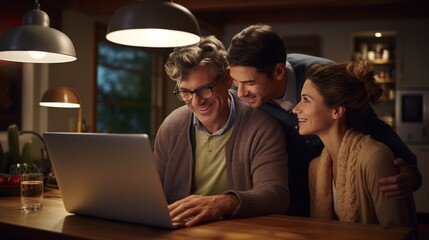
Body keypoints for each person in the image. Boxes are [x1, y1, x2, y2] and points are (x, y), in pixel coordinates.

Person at [227, 23, 422, 217]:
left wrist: (411, 170)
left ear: (278, 72)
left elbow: (373, 125)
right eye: (236, 82)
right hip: (295, 190)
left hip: (347, 180)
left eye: (249, 83)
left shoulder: (319, 76)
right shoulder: (244, 94)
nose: (240, 92)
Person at [153, 35, 290, 227]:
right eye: (185, 92)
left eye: (204, 89)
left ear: (227, 79)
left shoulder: (262, 127)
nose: (196, 101)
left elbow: (277, 195)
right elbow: (152, 192)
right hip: (179, 231)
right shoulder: (171, 126)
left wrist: (225, 203)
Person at [292, 60, 418, 238]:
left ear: (336, 111)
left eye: (306, 100)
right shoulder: (316, 168)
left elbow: (398, 233)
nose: (296, 109)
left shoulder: (375, 158)